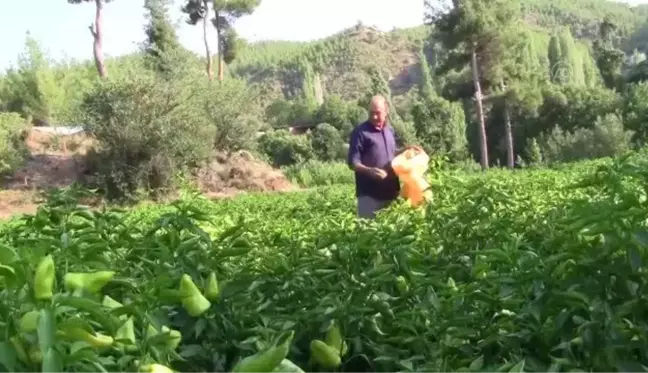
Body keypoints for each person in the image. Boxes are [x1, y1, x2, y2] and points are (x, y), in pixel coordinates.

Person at [347, 95, 419, 219]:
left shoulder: (389, 130)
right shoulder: (360, 133)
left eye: (378, 113)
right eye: (371, 113)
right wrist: (369, 170)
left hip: (391, 192)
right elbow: (352, 162)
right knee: (368, 233)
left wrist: (404, 150)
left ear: (386, 112)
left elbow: (391, 153)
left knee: (392, 233)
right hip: (369, 196)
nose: (374, 117)